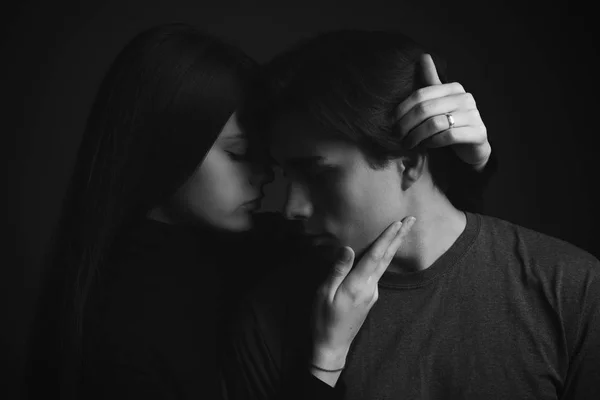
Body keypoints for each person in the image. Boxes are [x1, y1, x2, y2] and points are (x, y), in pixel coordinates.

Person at [23, 24, 494, 400]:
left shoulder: (261, 246)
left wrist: (465, 159)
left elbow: (414, 234)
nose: (266, 174)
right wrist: (323, 361)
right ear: (166, 148)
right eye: (239, 152)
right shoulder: (114, 333)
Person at [221, 29, 600, 400]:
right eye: (288, 177)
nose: (292, 208)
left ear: (411, 163)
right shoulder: (270, 315)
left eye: (318, 175)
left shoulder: (571, 288)